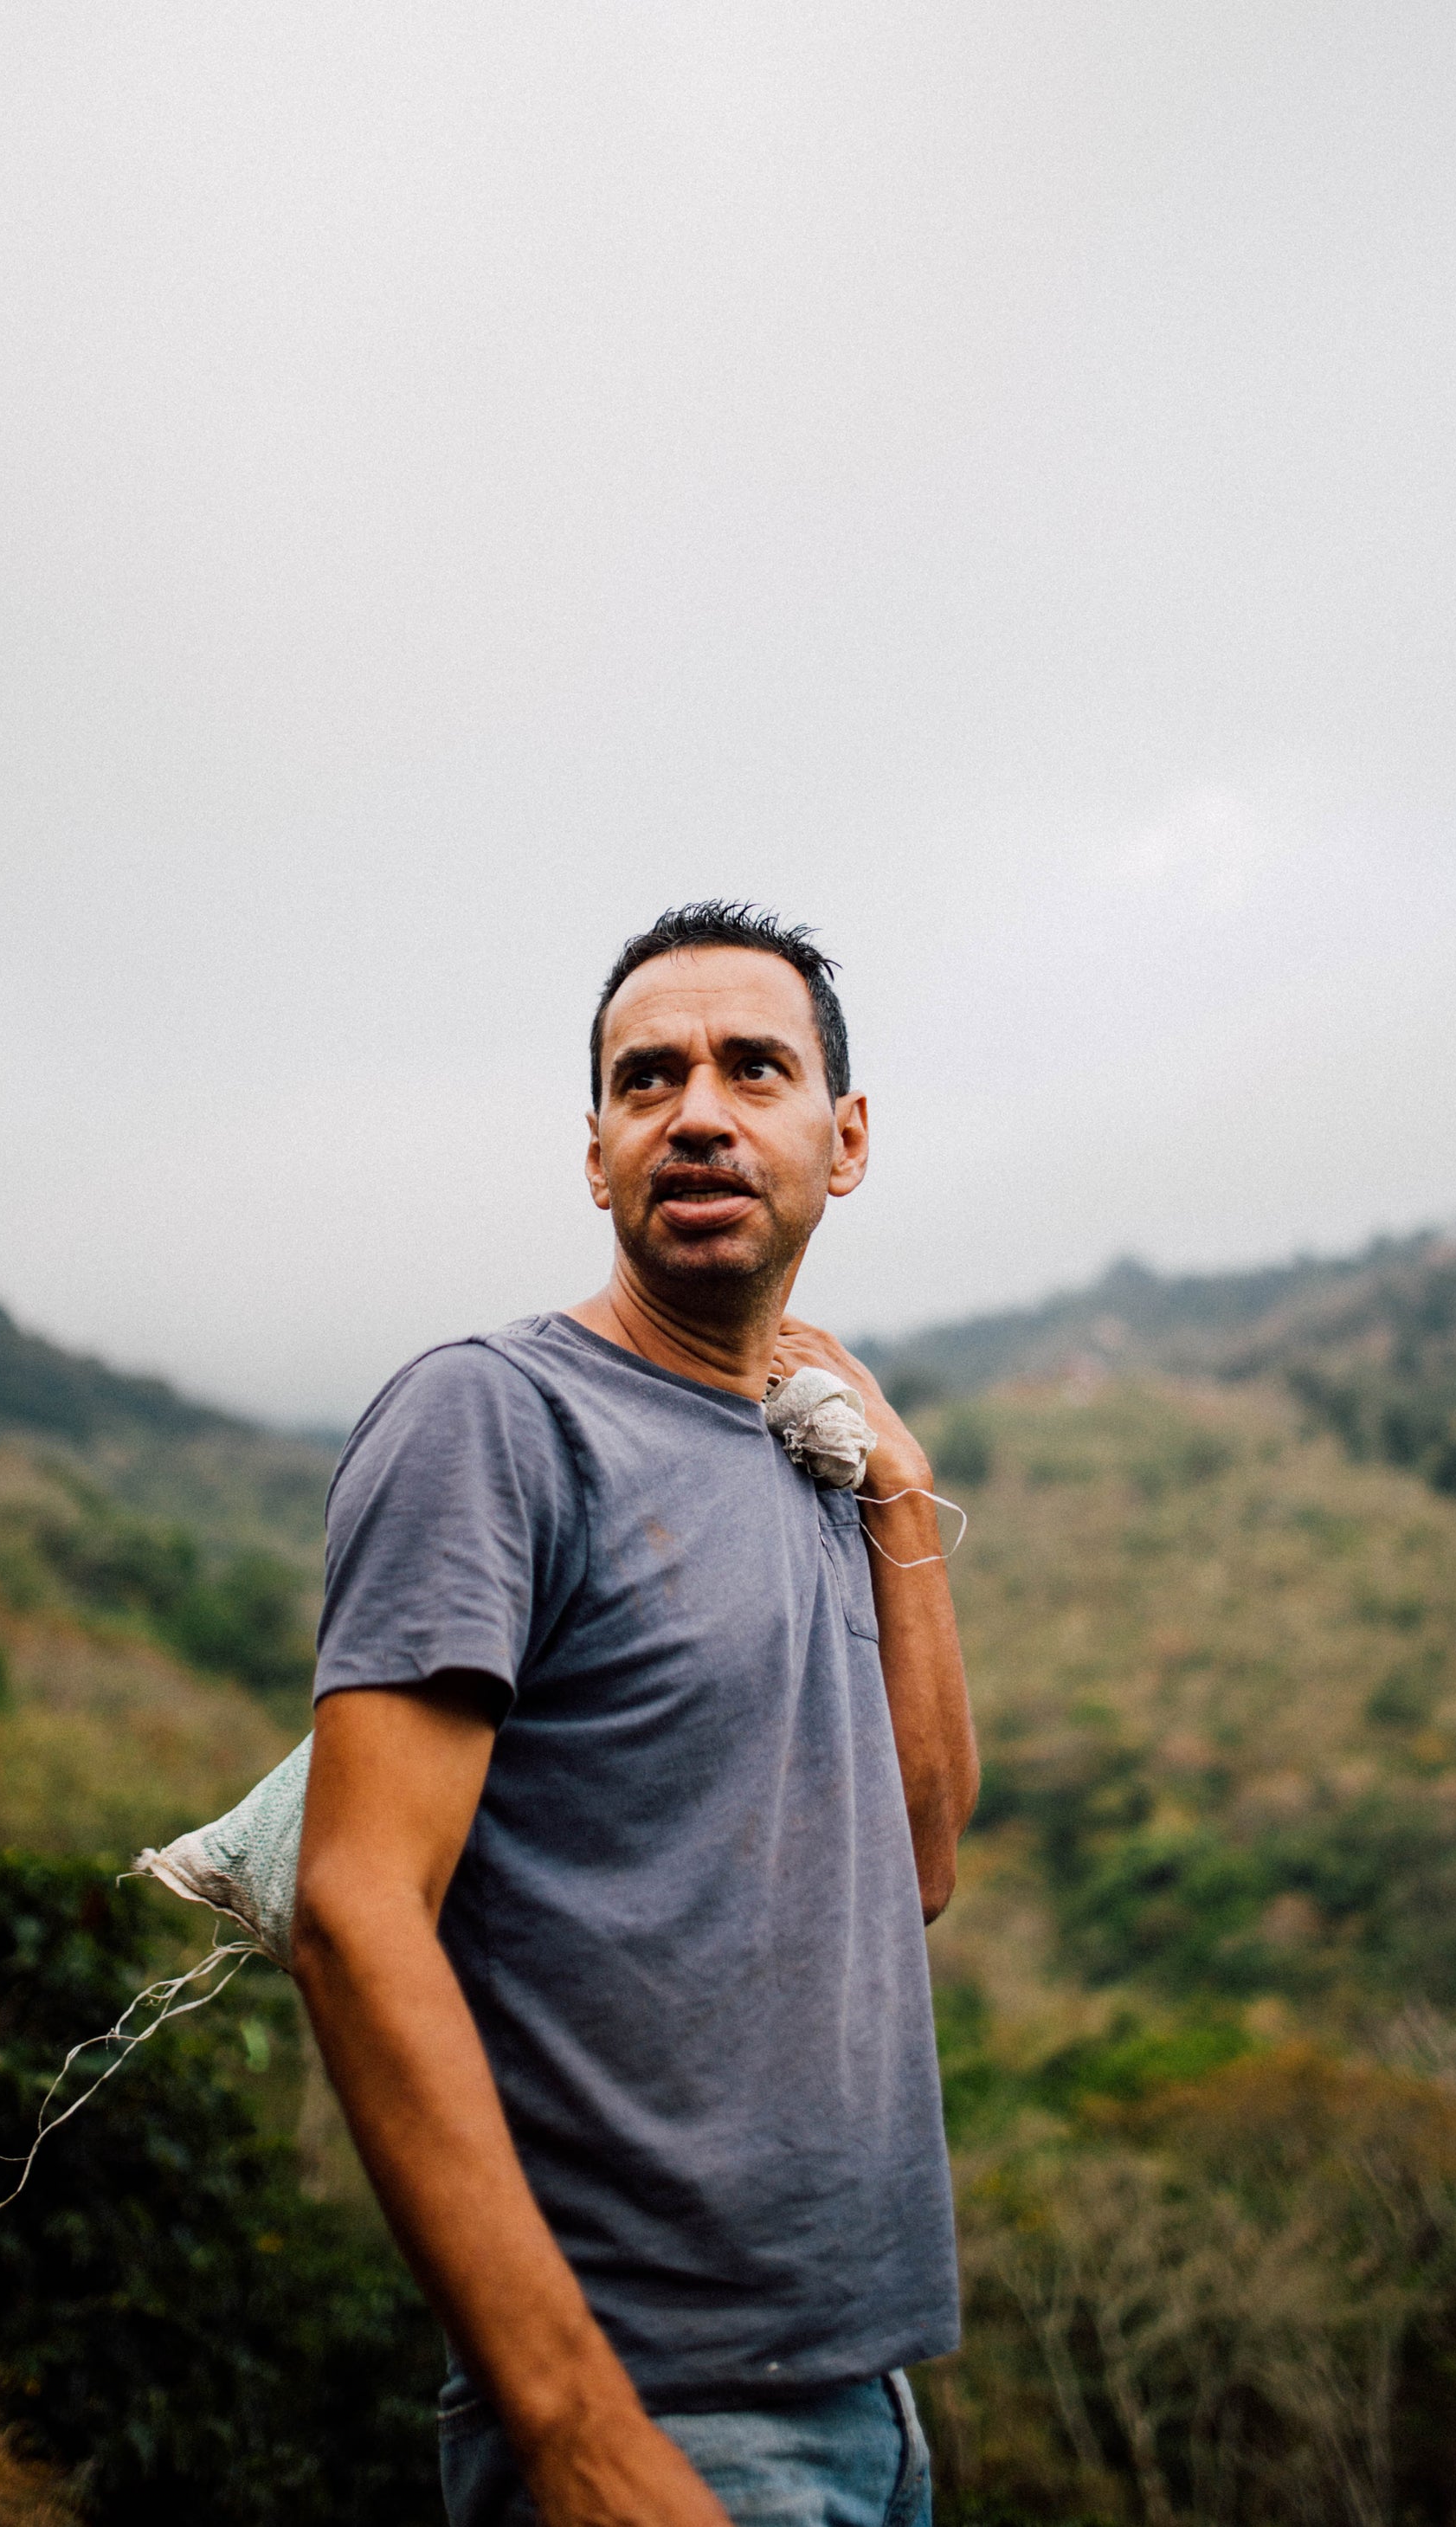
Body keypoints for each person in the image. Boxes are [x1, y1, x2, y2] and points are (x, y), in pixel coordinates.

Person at [292, 901, 980, 2527]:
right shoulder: (495, 1420)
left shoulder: (809, 1463)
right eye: (645, 1079)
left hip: (867, 2402)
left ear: (845, 1136)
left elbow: (919, 1862)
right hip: (645, 2417)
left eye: (755, 1067)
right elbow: (353, 1908)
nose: (698, 1111)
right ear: (595, 1154)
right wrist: (579, 2435)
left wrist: (901, 1492)